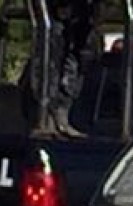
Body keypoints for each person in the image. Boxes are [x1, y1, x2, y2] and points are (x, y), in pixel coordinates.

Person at [26, 0, 99, 137]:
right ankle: (46, 116)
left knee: (80, 56)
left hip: (79, 13)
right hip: (55, 11)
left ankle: (62, 116)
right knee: (51, 51)